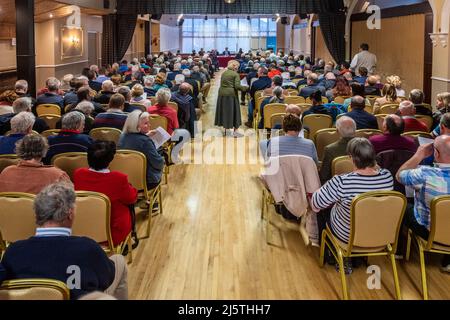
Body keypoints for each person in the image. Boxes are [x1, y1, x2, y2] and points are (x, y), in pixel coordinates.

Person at [0, 182, 128, 299]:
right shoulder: (88, 248)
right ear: (70, 214)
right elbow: (106, 279)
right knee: (119, 260)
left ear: (37, 215)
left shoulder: (13, 252)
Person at [312, 138, 393, 270]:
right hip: (380, 235)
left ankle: (337, 256)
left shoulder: (341, 182)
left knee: (323, 211)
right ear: (373, 157)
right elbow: (378, 169)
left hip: (348, 237)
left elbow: (316, 203)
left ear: (351, 158)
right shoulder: (387, 177)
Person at [396, 135, 450, 271]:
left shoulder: (424, 174)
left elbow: (399, 175)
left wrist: (419, 155)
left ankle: (398, 252)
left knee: (402, 205)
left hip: (431, 233)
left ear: (436, 153)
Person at [74, 141, 138, 246]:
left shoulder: (79, 174)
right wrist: (130, 187)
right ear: (109, 161)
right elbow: (131, 198)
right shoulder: (119, 178)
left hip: (83, 229)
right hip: (111, 233)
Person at [0, 135, 70, 194]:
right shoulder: (57, 175)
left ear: (20, 150)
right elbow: (69, 202)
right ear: (44, 151)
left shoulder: (6, 172)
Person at [118, 111, 165, 189]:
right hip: (146, 182)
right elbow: (158, 164)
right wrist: (163, 160)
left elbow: (134, 142)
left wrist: (146, 136)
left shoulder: (122, 137)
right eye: (146, 123)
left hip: (125, 180)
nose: (149, 125)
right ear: (136, 126)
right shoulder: (145, 141)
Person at [214, 60, 247, 137]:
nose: (238, 68)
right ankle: (235, 132)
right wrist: (246, 88)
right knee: (235, 112)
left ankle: (226, 131)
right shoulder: (235, 74)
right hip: (231, 94)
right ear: (235, 67)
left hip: (222, 93)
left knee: (225, 111)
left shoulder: (224, 73)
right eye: (237, 67)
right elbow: (237, 86)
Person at [319, 116, 356, 184]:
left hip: (338, 188)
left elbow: (324, 176)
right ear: (355, 130)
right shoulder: (367, 146)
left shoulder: (330, 149)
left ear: (337, 131)